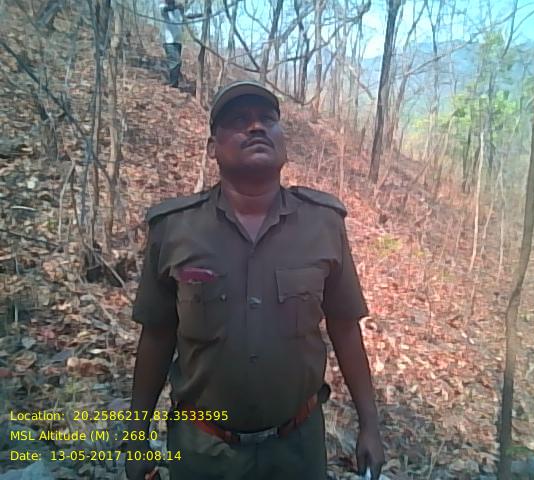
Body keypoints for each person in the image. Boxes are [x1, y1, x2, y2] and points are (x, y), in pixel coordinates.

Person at [125, 80, 385, 480]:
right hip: (202, 451)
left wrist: (370, 425)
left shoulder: (323, 224)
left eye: (267, 119)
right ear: (212, 148)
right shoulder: (174, 230)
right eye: (238, 120)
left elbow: (345, 328)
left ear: (283, 142)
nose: (256, 127)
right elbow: (157, 337)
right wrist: (136, 436)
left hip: (298, 451)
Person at [160, 1, 201, 88]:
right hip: (169, 42)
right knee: (176, 62)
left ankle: (174, 83)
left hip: (178, 42)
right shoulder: (163, 7)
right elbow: (166, 9)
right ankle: (172, 84)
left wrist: (202, 14)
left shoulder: (178, 11)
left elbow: (189, 16)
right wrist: (177, 7)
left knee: (174, 63)